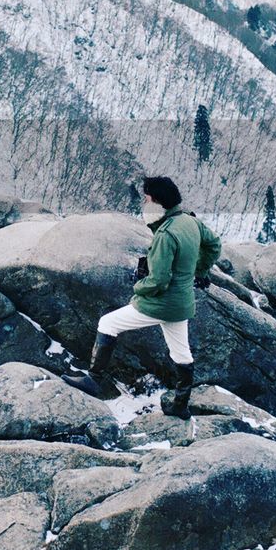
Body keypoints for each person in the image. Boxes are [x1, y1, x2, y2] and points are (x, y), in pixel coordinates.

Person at [63, 176, 223, 418]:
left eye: (147, 199)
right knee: (181, 353)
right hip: (182, 304)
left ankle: (94, 380)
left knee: (108, 323)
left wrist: (138, 288)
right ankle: (181, 405)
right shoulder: (190, 222)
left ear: (158, 202)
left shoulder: (166, 235)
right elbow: (214, 245)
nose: (144, 204)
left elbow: (158, 280)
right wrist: (199, 271)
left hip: (161, 304)